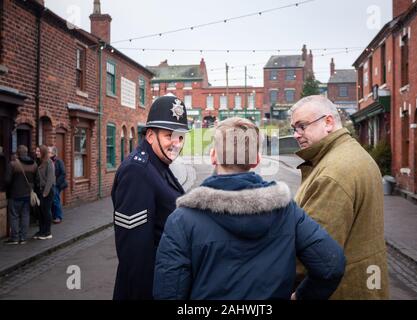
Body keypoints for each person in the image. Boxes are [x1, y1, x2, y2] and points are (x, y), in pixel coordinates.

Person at [153, 117, 346, 300]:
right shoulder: (287, 211)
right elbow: (331, 265)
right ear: (256, 160)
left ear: (213, 156)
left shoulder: (182, 219)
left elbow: (168, 291)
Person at [290, 95, 389, 299]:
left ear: (328, 122)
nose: (296, 134)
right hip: (364, 285)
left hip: (342, 290)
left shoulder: (332, 173)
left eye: (302, 126)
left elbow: (314, 253)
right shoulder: (352, 153)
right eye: (294, 128)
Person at [112, 95, 189, 300]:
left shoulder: (158, 164)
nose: (176, 143)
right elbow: (134, 253)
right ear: (150, 136)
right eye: (168, 136)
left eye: (180, 137)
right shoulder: (137, 171)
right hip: (146, 289)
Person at [4, 145, 38, 245]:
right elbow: (37, 180)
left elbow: (7, 180)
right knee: (25, 215)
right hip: (28, 194)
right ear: (26, 152)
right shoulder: (34, 165)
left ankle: (14, 238)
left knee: (14, 216)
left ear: (18, 153)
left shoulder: (13, 164)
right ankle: (23, 238)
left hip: (14, 194)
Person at [33, 145, 55, 240]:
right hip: (38, 190)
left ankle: (47, 232)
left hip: (47, 191)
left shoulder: (49, 162)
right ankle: (41, 230)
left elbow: (50, 179)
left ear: (43, 152)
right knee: (40, 212)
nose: (36, 152)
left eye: (38, 151)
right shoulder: (37, 162)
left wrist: (45, 193)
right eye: (36, 151)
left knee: (46, 211)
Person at [49, 146, 67, 224]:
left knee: (56, 200)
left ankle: (58, 217)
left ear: (54, 153)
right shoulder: (48, 161)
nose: (48, 153)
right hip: (49, 184)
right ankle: (53, 216)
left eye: (49, 152)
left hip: (56, 184)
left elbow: (63, 173)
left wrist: (56, 183)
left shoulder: (59, 161)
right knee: (51, 200)